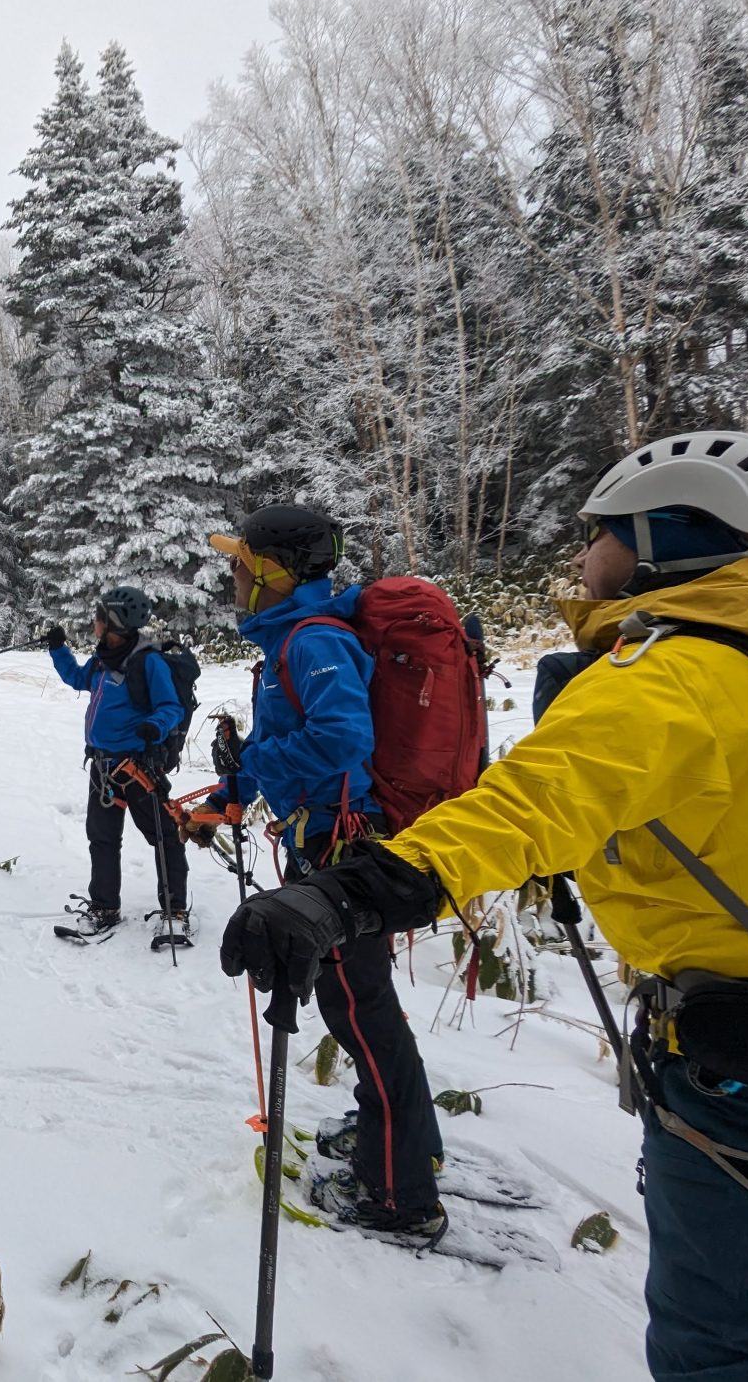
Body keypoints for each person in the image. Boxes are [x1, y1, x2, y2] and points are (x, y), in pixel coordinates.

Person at [217, 432, 748, 1381]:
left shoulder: (673, 679)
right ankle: (391, 1148)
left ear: (657, 542)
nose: (581, 557)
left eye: (599, 534)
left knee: (728, 1349)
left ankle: (399, 1180)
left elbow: (517, 809)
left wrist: (343, 890)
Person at [192, 506, 445, 1238]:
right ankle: (400, 1138)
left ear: (273, 572)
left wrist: (258, 766)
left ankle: (400, 1191)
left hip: (344, 847)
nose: (232, 576)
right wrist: (230, 793)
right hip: (324, 840)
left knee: (360, 1014)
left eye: (241, 564)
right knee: (362, 1007)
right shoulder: (291, 642)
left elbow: (339, 738)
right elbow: (283, 740)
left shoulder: (316, 640)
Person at [46, 585, 190, 939]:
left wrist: (153, 727)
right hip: (102, 767)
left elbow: (171, 708)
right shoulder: (101, 659)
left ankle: (175, 912)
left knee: (163, 836)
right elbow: (77, 678)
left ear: (113, 622)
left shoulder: (148, 662)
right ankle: (104, 907)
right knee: (103, 838)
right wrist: (58, 649)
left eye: (99, 616)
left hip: (138, 767)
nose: (94, 622)